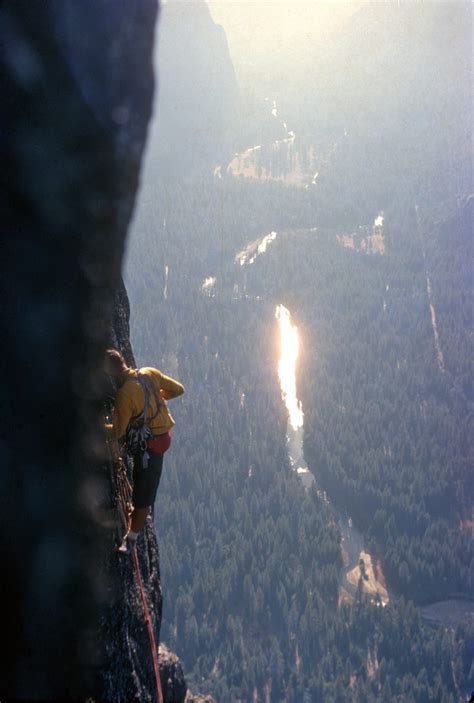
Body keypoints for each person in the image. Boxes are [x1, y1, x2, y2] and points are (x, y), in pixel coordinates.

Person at [104, 349, 184, 553]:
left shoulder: (125, 396)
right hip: (162, 437)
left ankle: (130, 540)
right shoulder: (149, 373)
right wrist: (157, 398)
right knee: (143, 485)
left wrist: (98, 426)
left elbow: (118, 432)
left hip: (150, 447)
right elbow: (178, 389)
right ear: (125, 362)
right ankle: (134, 521)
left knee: (143, 497)